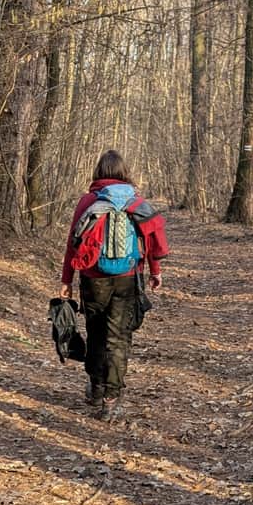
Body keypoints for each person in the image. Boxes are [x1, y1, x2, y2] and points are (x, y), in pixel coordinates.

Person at [59, 150, 168, 420]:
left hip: (93, 277)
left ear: (98, 171)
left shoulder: (88, 200)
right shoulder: (136, 201)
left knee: (95, 331)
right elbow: (153, 240)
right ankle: (111, 398)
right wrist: (155, 271)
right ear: (123, 172)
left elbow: (72, 243)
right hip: (128, 278)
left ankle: (96, 388)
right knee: (119, 338)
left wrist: (66, 281)